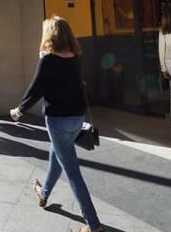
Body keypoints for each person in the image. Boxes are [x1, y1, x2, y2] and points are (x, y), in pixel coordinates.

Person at [9, 16, 103, 232]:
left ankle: (93, 224)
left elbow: (36, 89)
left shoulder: (48, 60)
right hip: (77, 119)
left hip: (58, 121)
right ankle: (43, 195)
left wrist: (19, 111)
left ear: (50, 35)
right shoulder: (75, 57)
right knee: (57, 156)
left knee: (72, 171)